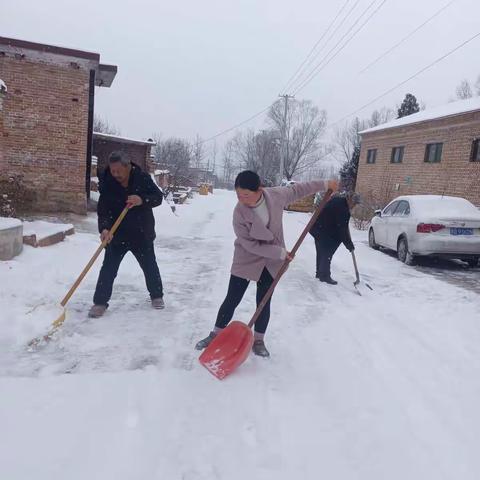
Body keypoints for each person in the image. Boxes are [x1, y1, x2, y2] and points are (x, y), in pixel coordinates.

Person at [195, 170, 336, 357]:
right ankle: (215, 334)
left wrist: (326, 184)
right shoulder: (239, 213)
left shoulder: (276, 195)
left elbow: (300, 189)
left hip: (272, 261)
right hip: (247, 258)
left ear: (259, 189)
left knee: (263, 301)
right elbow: (249, 243)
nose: (242, 199)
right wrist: (279, 252)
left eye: (246, 194)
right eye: (238, 194)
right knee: (232, 299)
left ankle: (259, 340)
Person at [88, 151, 165, 318]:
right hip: (118, 234)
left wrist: (141, 200)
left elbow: (158, 198)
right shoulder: (108, 181)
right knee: (108, 269)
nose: (115, 174)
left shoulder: (142, 178)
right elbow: (103, 209)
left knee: (149, 266)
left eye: (118, 171)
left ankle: (157, 296)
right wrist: (105, 229)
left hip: (141, 233)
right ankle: (100, 302)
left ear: (128, 166)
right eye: (113, 170)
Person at [309, 191, 361, 285]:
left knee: (321, 250)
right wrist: (349, 245)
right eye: (354, 204)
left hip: (317, 228)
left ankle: (320, 273)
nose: (354, 207)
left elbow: (341, 226)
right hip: (322, 230)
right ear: (350, 200)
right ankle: (324, 276)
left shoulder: (339, 201)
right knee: (328, 251)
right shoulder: (343, 209)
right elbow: (342, 230)